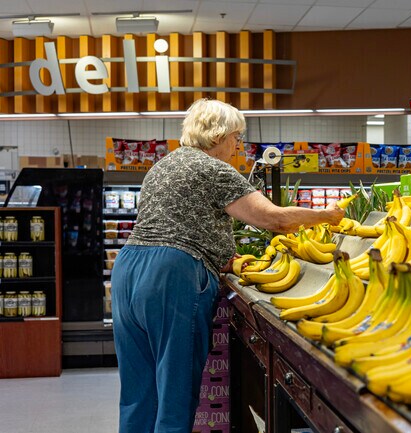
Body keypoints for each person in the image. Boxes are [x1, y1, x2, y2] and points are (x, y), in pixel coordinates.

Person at [111, 98, 345, 433]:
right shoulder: (214, 169)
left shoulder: (162, 165)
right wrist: (327, 215)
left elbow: (183, 220)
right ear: (219, 135)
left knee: (138, 392)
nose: (238, 146)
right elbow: (272, 219)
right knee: (175, 391)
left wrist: (224, 257)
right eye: (236, 137)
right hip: (171, 273)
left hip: (128, 270)